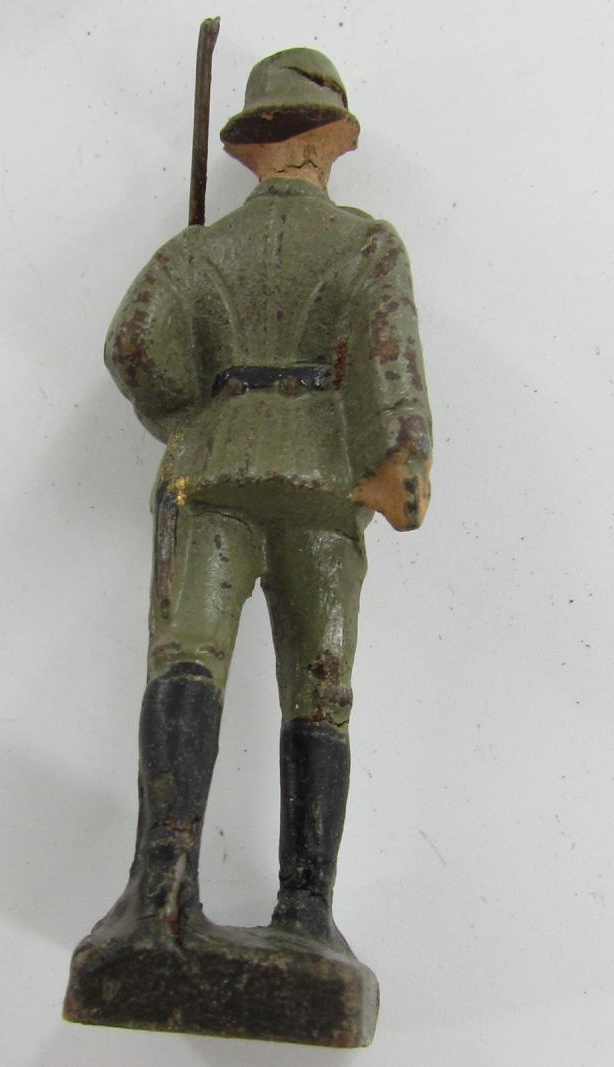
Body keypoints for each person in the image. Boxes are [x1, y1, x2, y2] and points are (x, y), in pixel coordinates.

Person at [94, 47, 431, 953]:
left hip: (210, 474)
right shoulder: (366, 243)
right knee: (319, 695)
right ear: (327, 141)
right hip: (323, 486)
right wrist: (402, 462)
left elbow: (131, 346)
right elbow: (390, 359)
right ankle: (307, 913)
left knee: (185, 662)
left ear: (253, 148)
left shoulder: (197, 250)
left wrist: (189, 412)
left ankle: (160, 893)